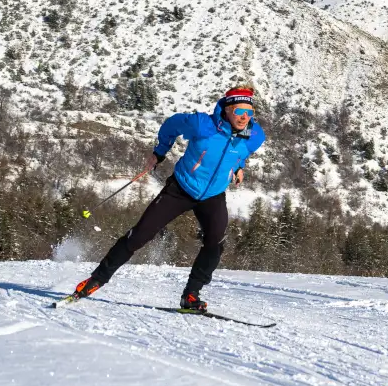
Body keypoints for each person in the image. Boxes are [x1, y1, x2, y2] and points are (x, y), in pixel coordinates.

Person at [70, 85, 266, 310]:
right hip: (181, 188)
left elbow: (242, 153)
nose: (244, 117)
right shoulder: (202, 124)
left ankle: (191, 295)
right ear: (227, 109)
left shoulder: (255, 135)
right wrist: (160, 151)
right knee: (139, 236)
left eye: (249, 112)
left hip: (213, 195)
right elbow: (171, 124)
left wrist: (239, 166)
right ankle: (96, 280)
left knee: (216, 242)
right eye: (240, 111)